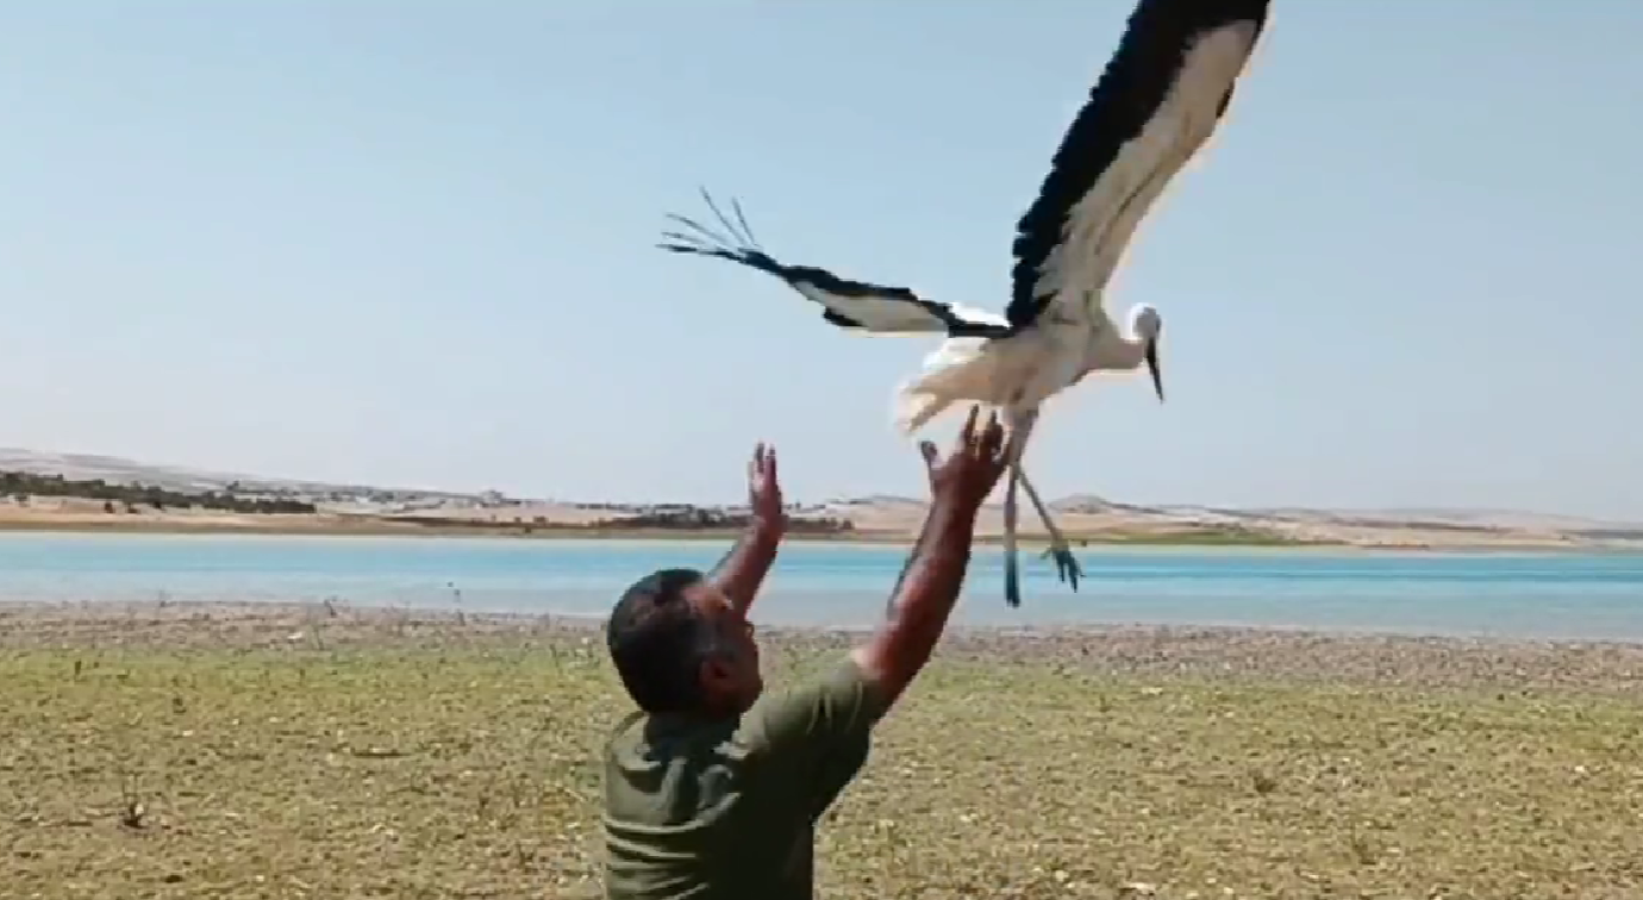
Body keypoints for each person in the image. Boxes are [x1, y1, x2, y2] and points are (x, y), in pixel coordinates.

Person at [600, 408, 1013, 900]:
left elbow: (686, 625)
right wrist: (957, 501)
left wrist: (764, 532)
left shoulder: (629, 750)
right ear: (716, 673)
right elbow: (905, 633)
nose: (750, 626)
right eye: (740, 626)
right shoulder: (757, 753)